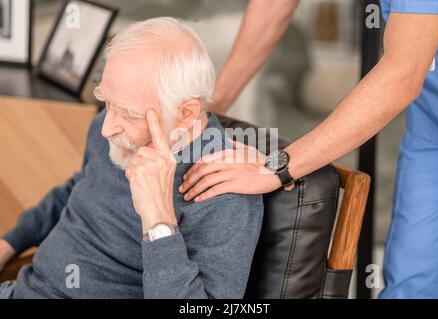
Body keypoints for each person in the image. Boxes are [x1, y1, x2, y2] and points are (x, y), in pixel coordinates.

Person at [179, 0, 438, 298]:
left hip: (420, 94)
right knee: (411, 286)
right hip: (434, 126)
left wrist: (276, 167)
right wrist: (207, 115)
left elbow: (401, 75)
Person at [0, 17, 263, 299]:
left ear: (186, 114)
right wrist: (9, 243)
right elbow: (78, 189)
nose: (106, 127)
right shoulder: (111, 130)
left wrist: (158, 219)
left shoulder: (226, 192)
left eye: (128, 113)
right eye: (106, 101)